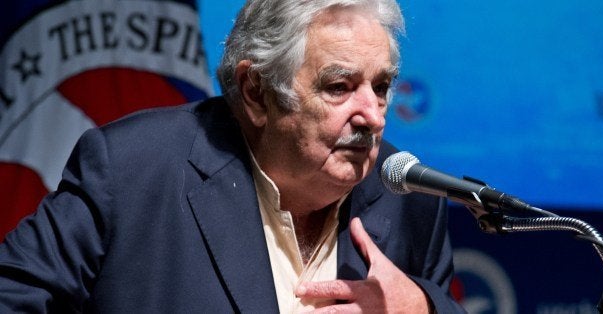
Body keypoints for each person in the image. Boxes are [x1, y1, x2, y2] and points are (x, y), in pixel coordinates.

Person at [0, 0, 465, 312]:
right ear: (256, 92)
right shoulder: (131, 169)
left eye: (380, 88)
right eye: (339, 87)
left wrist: (424, 307)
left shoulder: (408, 196)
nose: (372, 116)